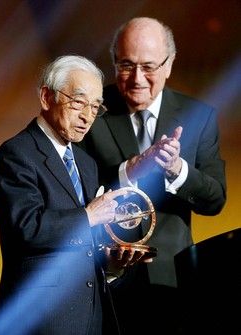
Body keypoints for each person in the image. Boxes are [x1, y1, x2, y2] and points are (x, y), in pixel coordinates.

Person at [78, 17, 227, 334]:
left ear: (170, 64)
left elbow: (215, 201)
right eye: (126, 65)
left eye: (149, 67)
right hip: (104, 277)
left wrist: (177, 170)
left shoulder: (199, 117)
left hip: (172, 279)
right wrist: (128, 171)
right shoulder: (90, 111)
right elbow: (72, 188)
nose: (136, 79)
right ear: (114, 61)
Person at [0, 55, 153, 335]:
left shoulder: (86, 164)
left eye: (95, 107)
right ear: (46, 97)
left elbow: (87, 244)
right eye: (78, 102)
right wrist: (89, 215)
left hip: (90, 315)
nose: (87, 116)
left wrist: (114, 262)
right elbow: (25, 228)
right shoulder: (17, 153)